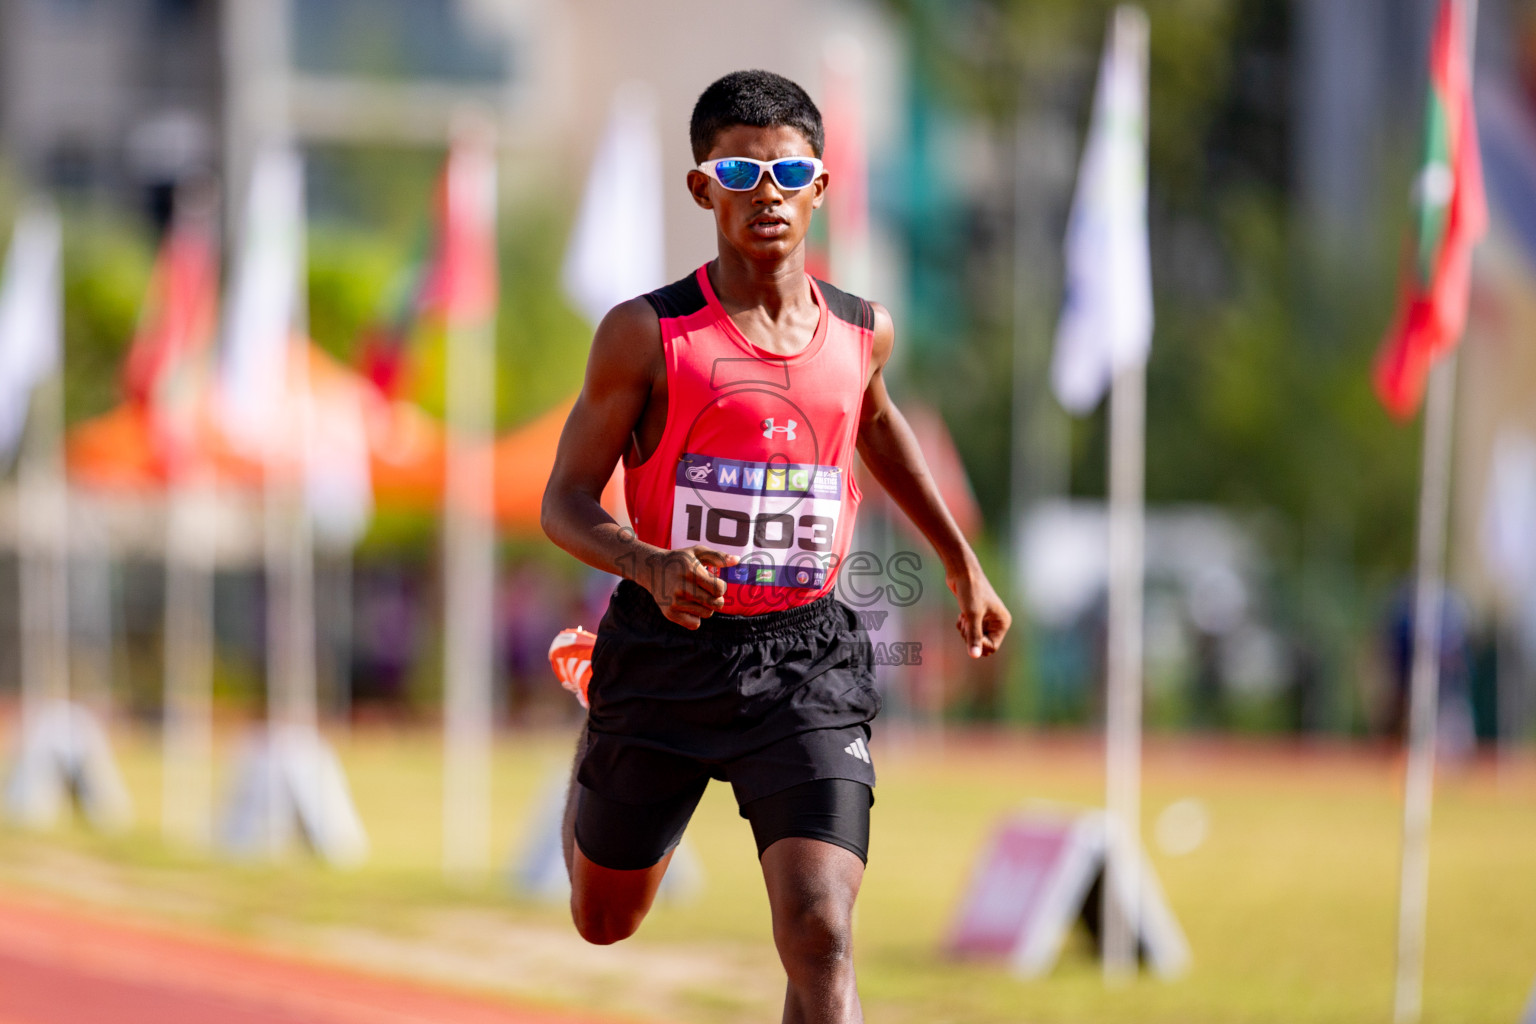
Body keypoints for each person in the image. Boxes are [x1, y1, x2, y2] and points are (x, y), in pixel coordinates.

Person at [540, 69, 1010, 1022]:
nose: (767, 194)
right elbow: (563, 501)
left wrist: (960, 560)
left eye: (788, 172)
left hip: (805, 659)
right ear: (701, 186)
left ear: (820, 186)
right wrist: (648, 564)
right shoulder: (645, 335)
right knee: (604, 918)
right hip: (666, 652)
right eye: (739, 171)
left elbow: (876, 426)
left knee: (821, 932)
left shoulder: (863, 332)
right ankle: (600, 725)